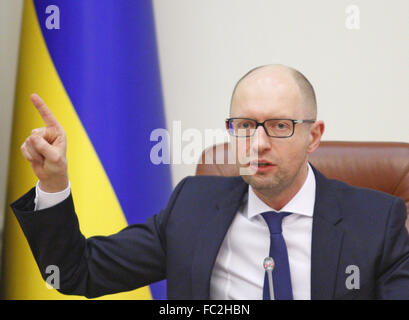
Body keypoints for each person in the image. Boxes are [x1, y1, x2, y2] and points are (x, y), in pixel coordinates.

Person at [12, 64, 409, 299]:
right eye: (244, 126)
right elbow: (74, 272)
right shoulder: (194, 205)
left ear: (314, 136)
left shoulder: (377, 221)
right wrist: (53, 183)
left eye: (280, 126)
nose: (258, 144)